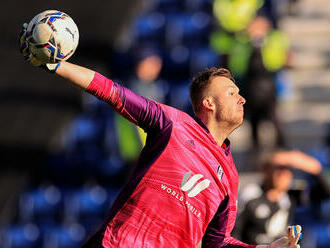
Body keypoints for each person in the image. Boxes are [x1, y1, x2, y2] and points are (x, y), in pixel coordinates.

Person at [19, 23, 301, 248]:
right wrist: (55, 65)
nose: (241, 99)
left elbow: (219, 242)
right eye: (231, 93)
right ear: (208, 103)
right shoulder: (172, 124)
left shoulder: (230, 176)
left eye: (239, 94)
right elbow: (112, 92)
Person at [233, 150, 330, 245]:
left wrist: (310, 166)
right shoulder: (250, 195)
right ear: (265, 170)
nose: (283, 174)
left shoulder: (290, 196)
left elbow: (325, 192)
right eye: (278, 168)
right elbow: (234, 232)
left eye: (287, 170)